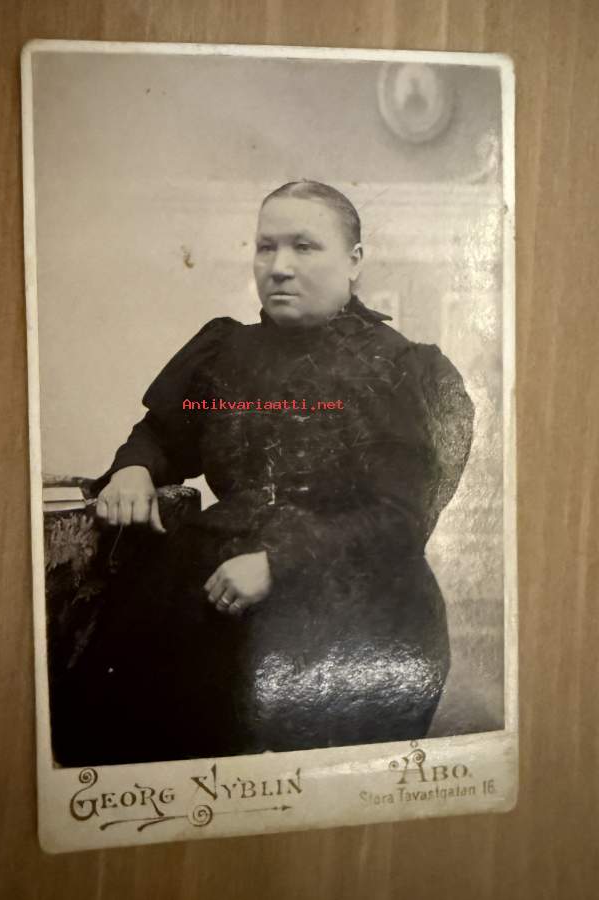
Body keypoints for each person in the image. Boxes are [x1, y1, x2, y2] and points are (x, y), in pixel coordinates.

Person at [50, 180, 475, 767]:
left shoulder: (402, 370)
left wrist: (279, 561)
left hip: (350, 614)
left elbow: (400, 519)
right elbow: (165, 433)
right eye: (265, 247)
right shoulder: (226, 353)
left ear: (354, 261)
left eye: (304, 246)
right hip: (210, 591)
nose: (279, 267)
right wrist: (134, 468)